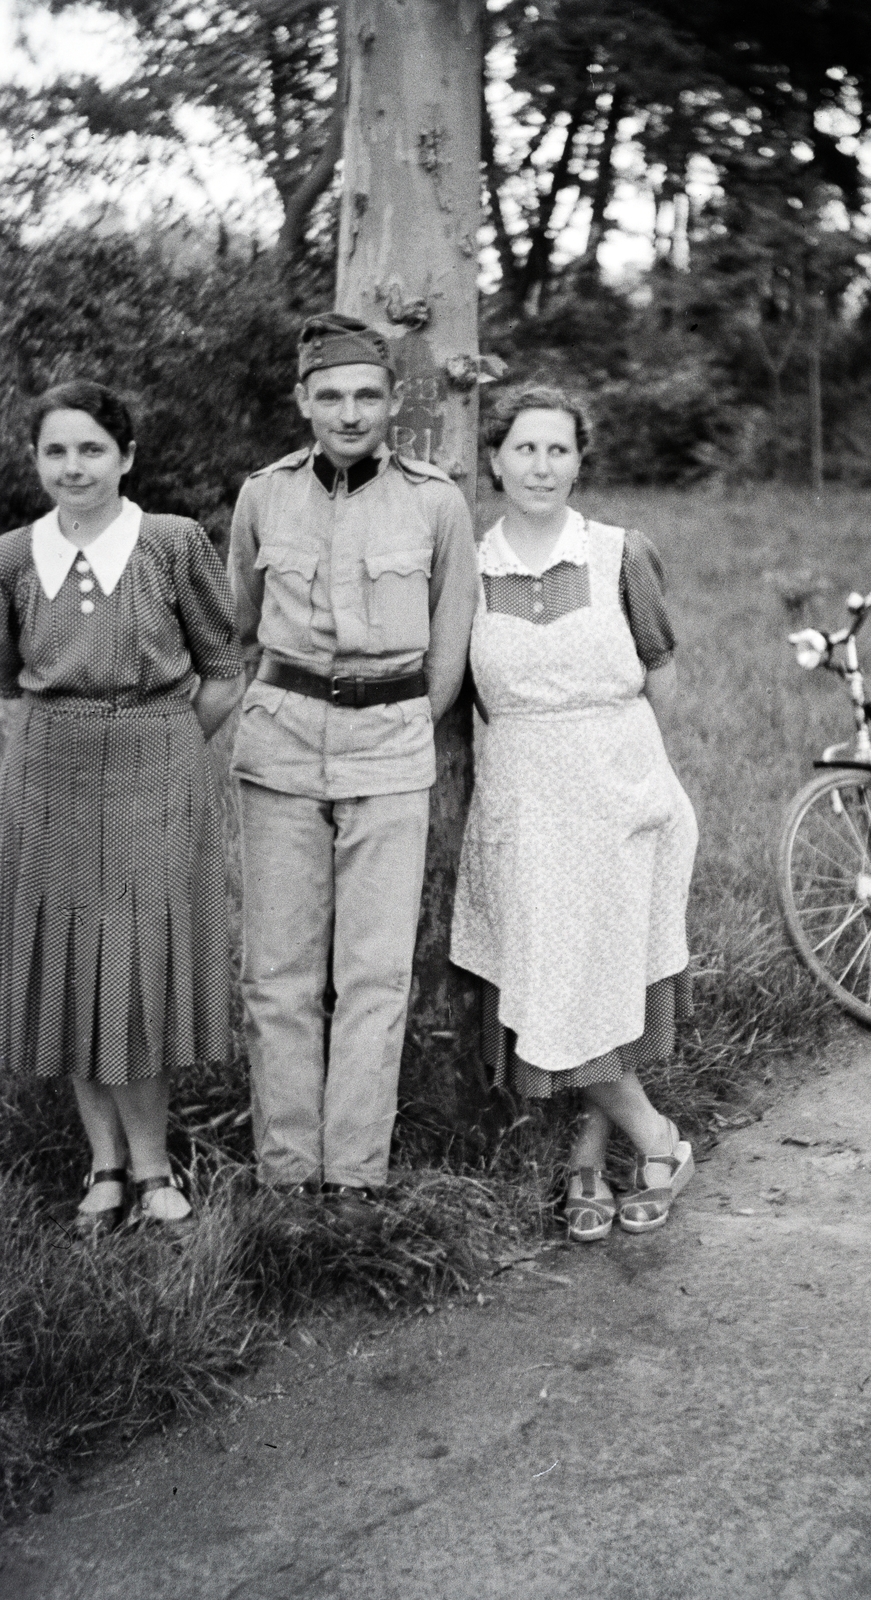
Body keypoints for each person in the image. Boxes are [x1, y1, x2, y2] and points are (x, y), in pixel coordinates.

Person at [228, 313, 479, 1212]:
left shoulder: (434, 501)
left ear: (392, 400)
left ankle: (355, 1176)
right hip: (281, 746)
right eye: (329, 395)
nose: (347, 413)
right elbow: (240, 618)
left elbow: (449, 649)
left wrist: (397, 720)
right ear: (302, 401)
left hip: (390, 750)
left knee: (374, 971)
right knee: (279, 972)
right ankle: (288, 1175)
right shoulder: (263, 496)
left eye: (365, 394)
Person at [451, 386, 699, 1241]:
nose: (540, 467)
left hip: (621, 797)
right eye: (524, 449)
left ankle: (588, 1161)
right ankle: (655, 1138)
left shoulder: (622, 552)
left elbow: (661, 684)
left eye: (558, 451)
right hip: (523, 808)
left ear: (580, 461)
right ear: (494, 458)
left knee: (605, 976)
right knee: (553, 982)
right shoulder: (468, 568)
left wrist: (618, 780)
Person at [0, 380, 243, 1239]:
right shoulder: (10, 556)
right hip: (48, 771)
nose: (75, 467)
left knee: (134, 963)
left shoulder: (172, 544)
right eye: (57, 450)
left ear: (127, 457)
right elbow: (7, 681)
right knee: (69, 961)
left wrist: (167, 744)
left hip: (156, 764)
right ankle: (103, 1164)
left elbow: (223, 667)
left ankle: (153, 1164)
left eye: (92, 449)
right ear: (35, 461)